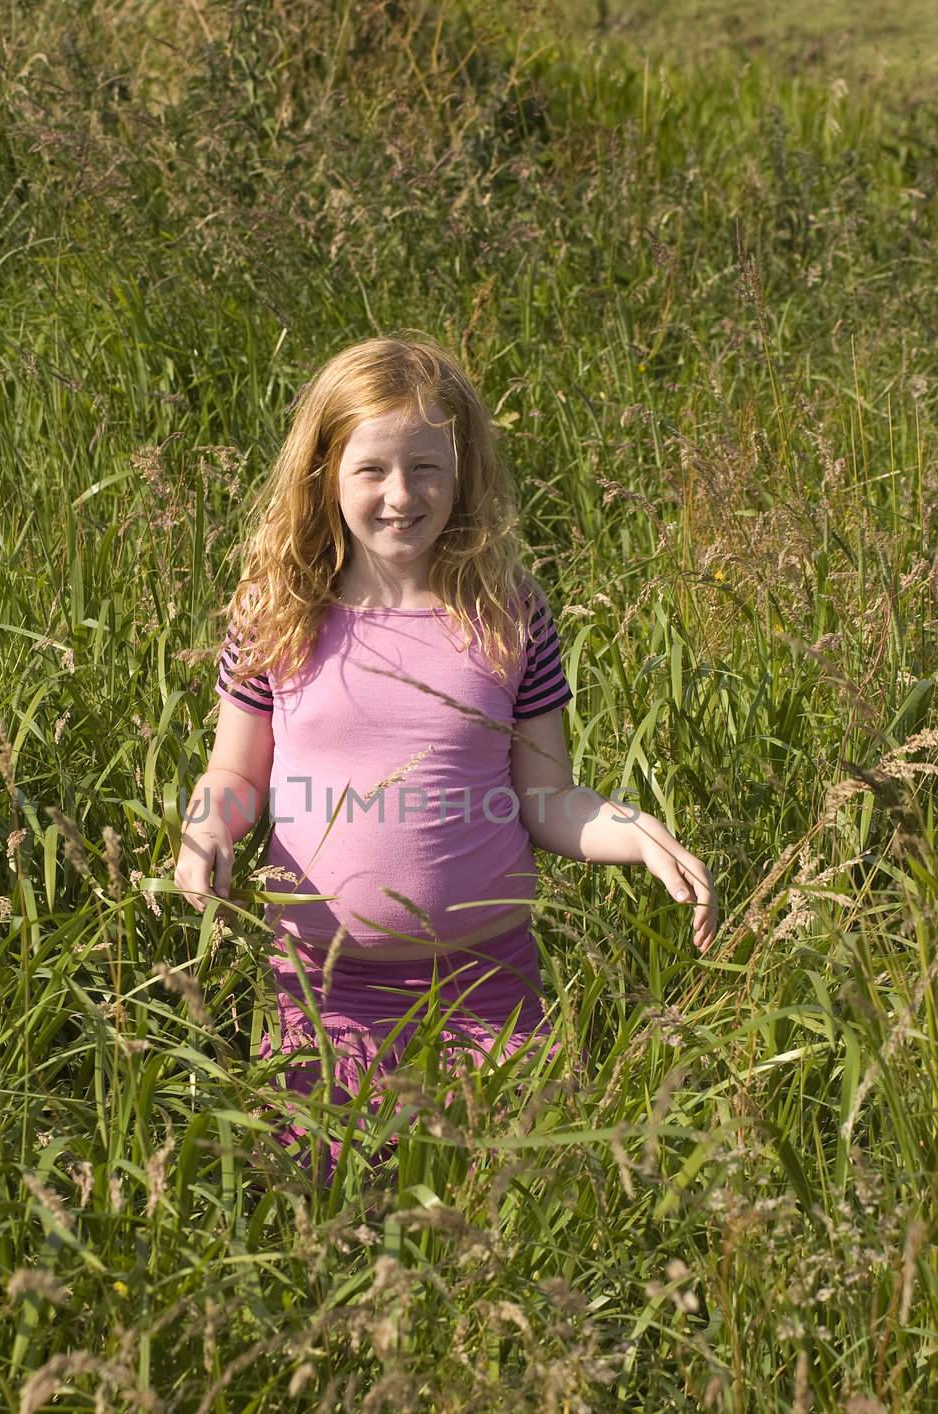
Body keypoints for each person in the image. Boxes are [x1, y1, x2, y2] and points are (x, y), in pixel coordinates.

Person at [175, 334, 719, 1180]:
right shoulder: (277, 612)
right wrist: (205, 833)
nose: (401, 495)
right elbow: (236, 774)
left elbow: (547, 799)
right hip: (323, 994)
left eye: (426, 467)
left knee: (507, 1212)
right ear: (325, 473)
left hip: (486, 987)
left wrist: (635, 830)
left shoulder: (508, 615)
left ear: (462, 470)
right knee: (333, 1213)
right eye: (373, 470)